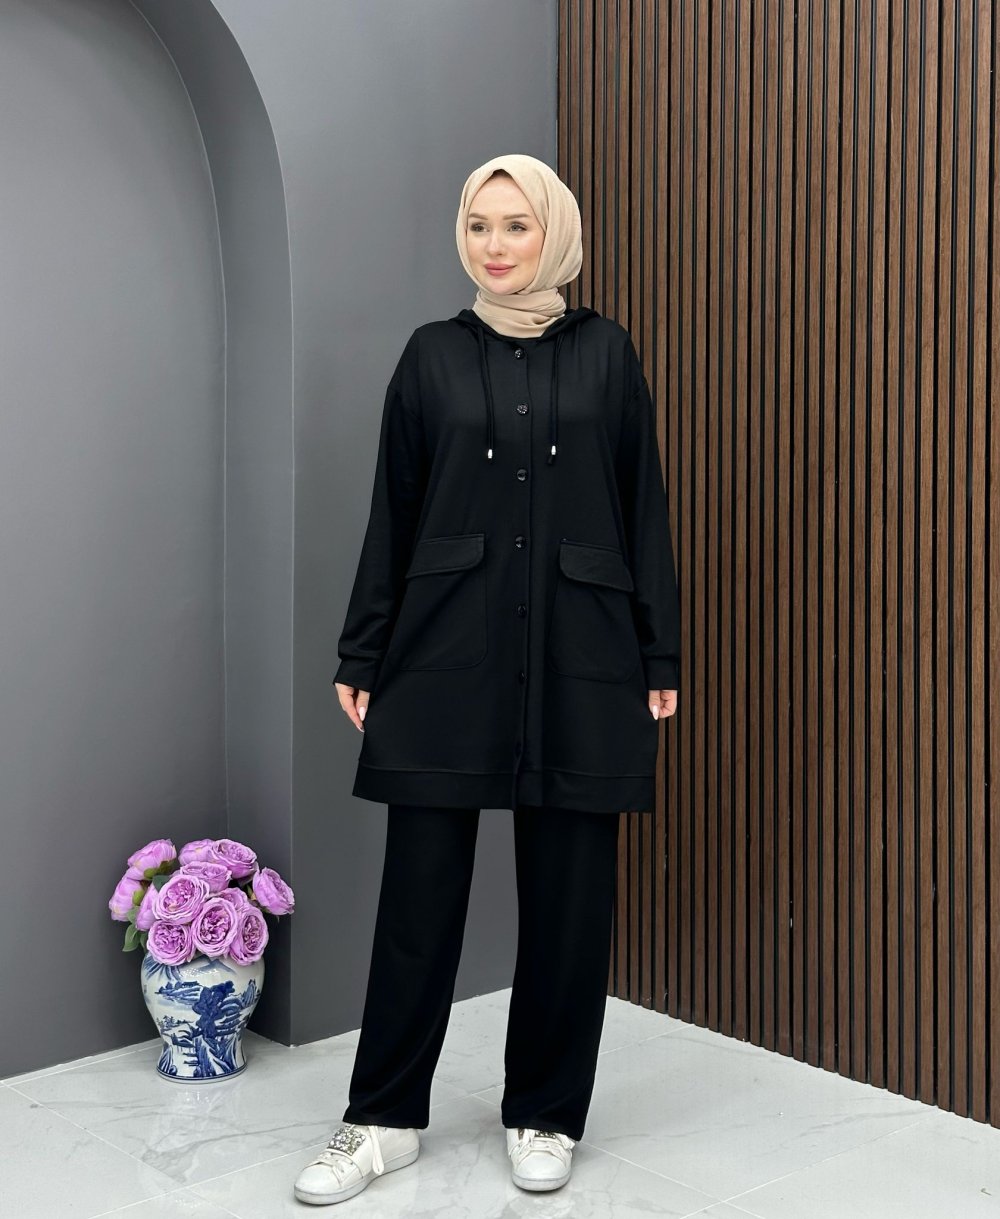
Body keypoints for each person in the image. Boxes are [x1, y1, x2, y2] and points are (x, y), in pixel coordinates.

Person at [293, 153, 680, 1206]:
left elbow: (641, 505)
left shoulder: (606, 354)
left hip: (583, 649)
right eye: (478, 225)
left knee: (570, 895)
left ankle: (544, 1110)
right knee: (418, 895)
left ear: (554, 233)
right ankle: (382, 1118)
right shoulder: (431, 356)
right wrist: (364, 648)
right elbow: (394, 507)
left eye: (516, 225)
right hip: (444, 646)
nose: (495, 245)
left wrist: (657, 653)